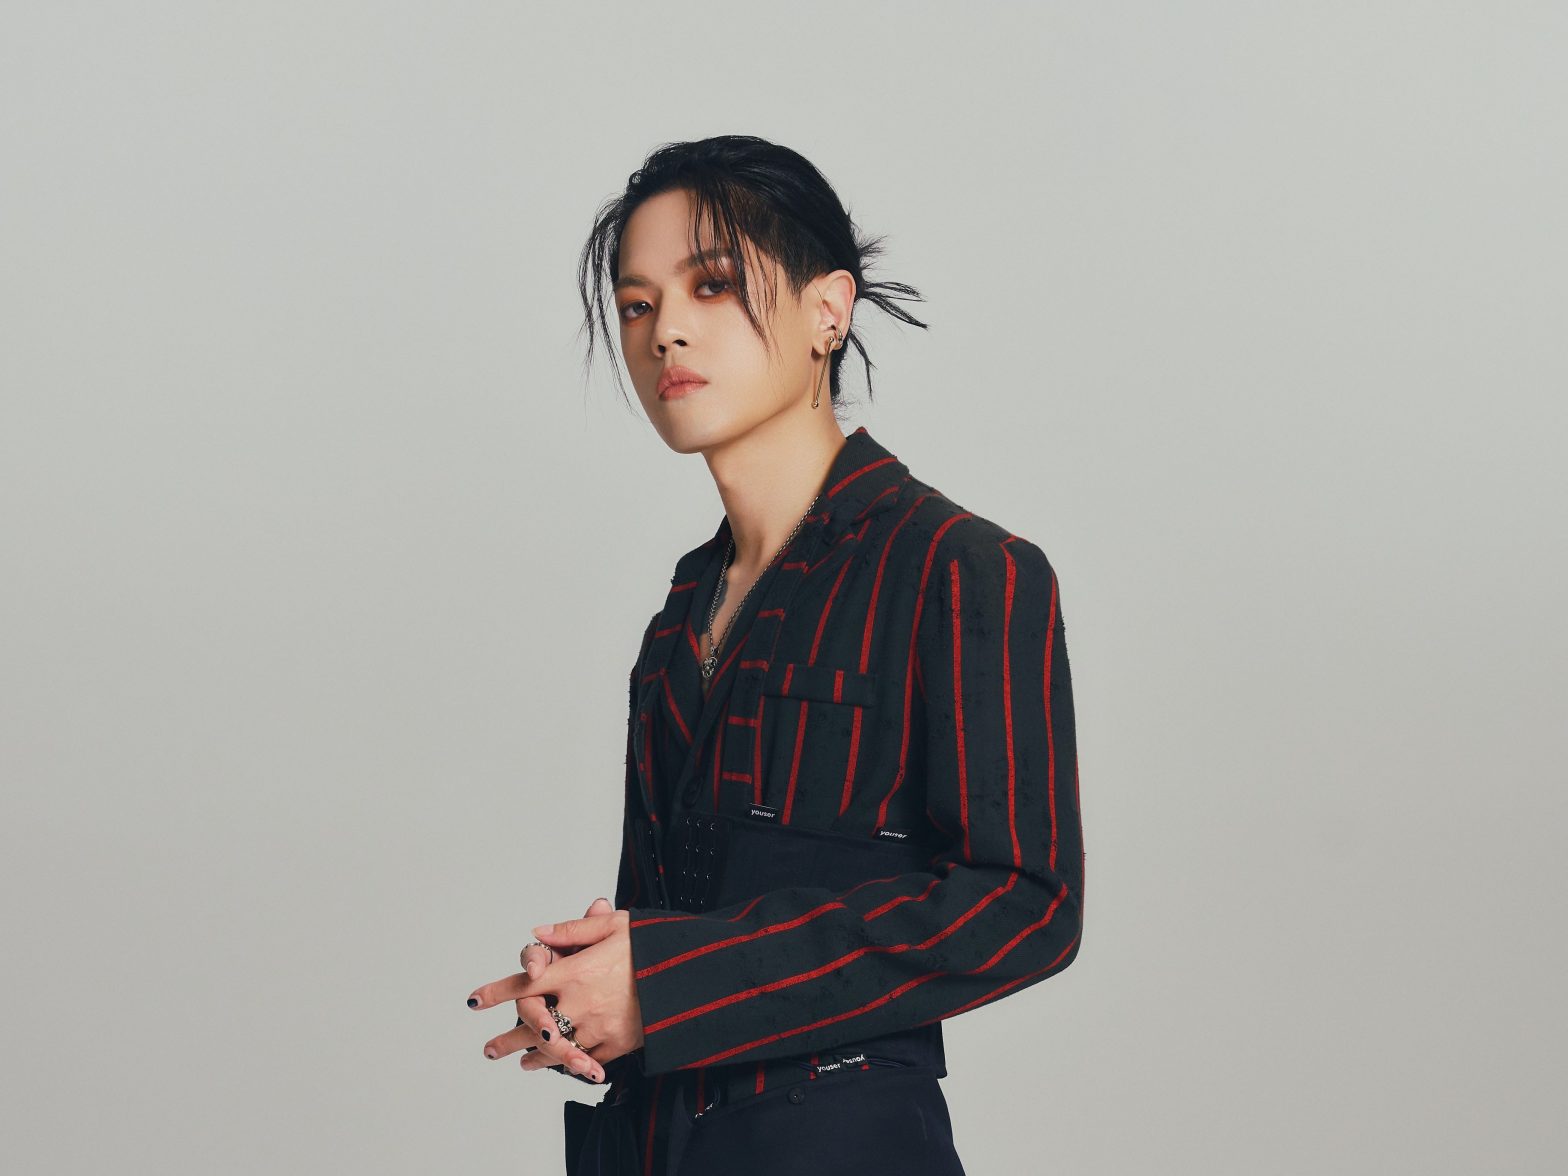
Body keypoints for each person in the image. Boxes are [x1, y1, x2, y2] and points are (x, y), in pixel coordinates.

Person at [465, 134, 1085, 1176]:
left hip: (837, 1144)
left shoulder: (963, 567)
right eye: (636, 304)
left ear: (827, 310)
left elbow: (1023, 902)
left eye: (711, 285)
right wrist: (592, 983)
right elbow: (691, 904)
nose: (665, 331)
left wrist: (667, 982)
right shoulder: (684, 606)